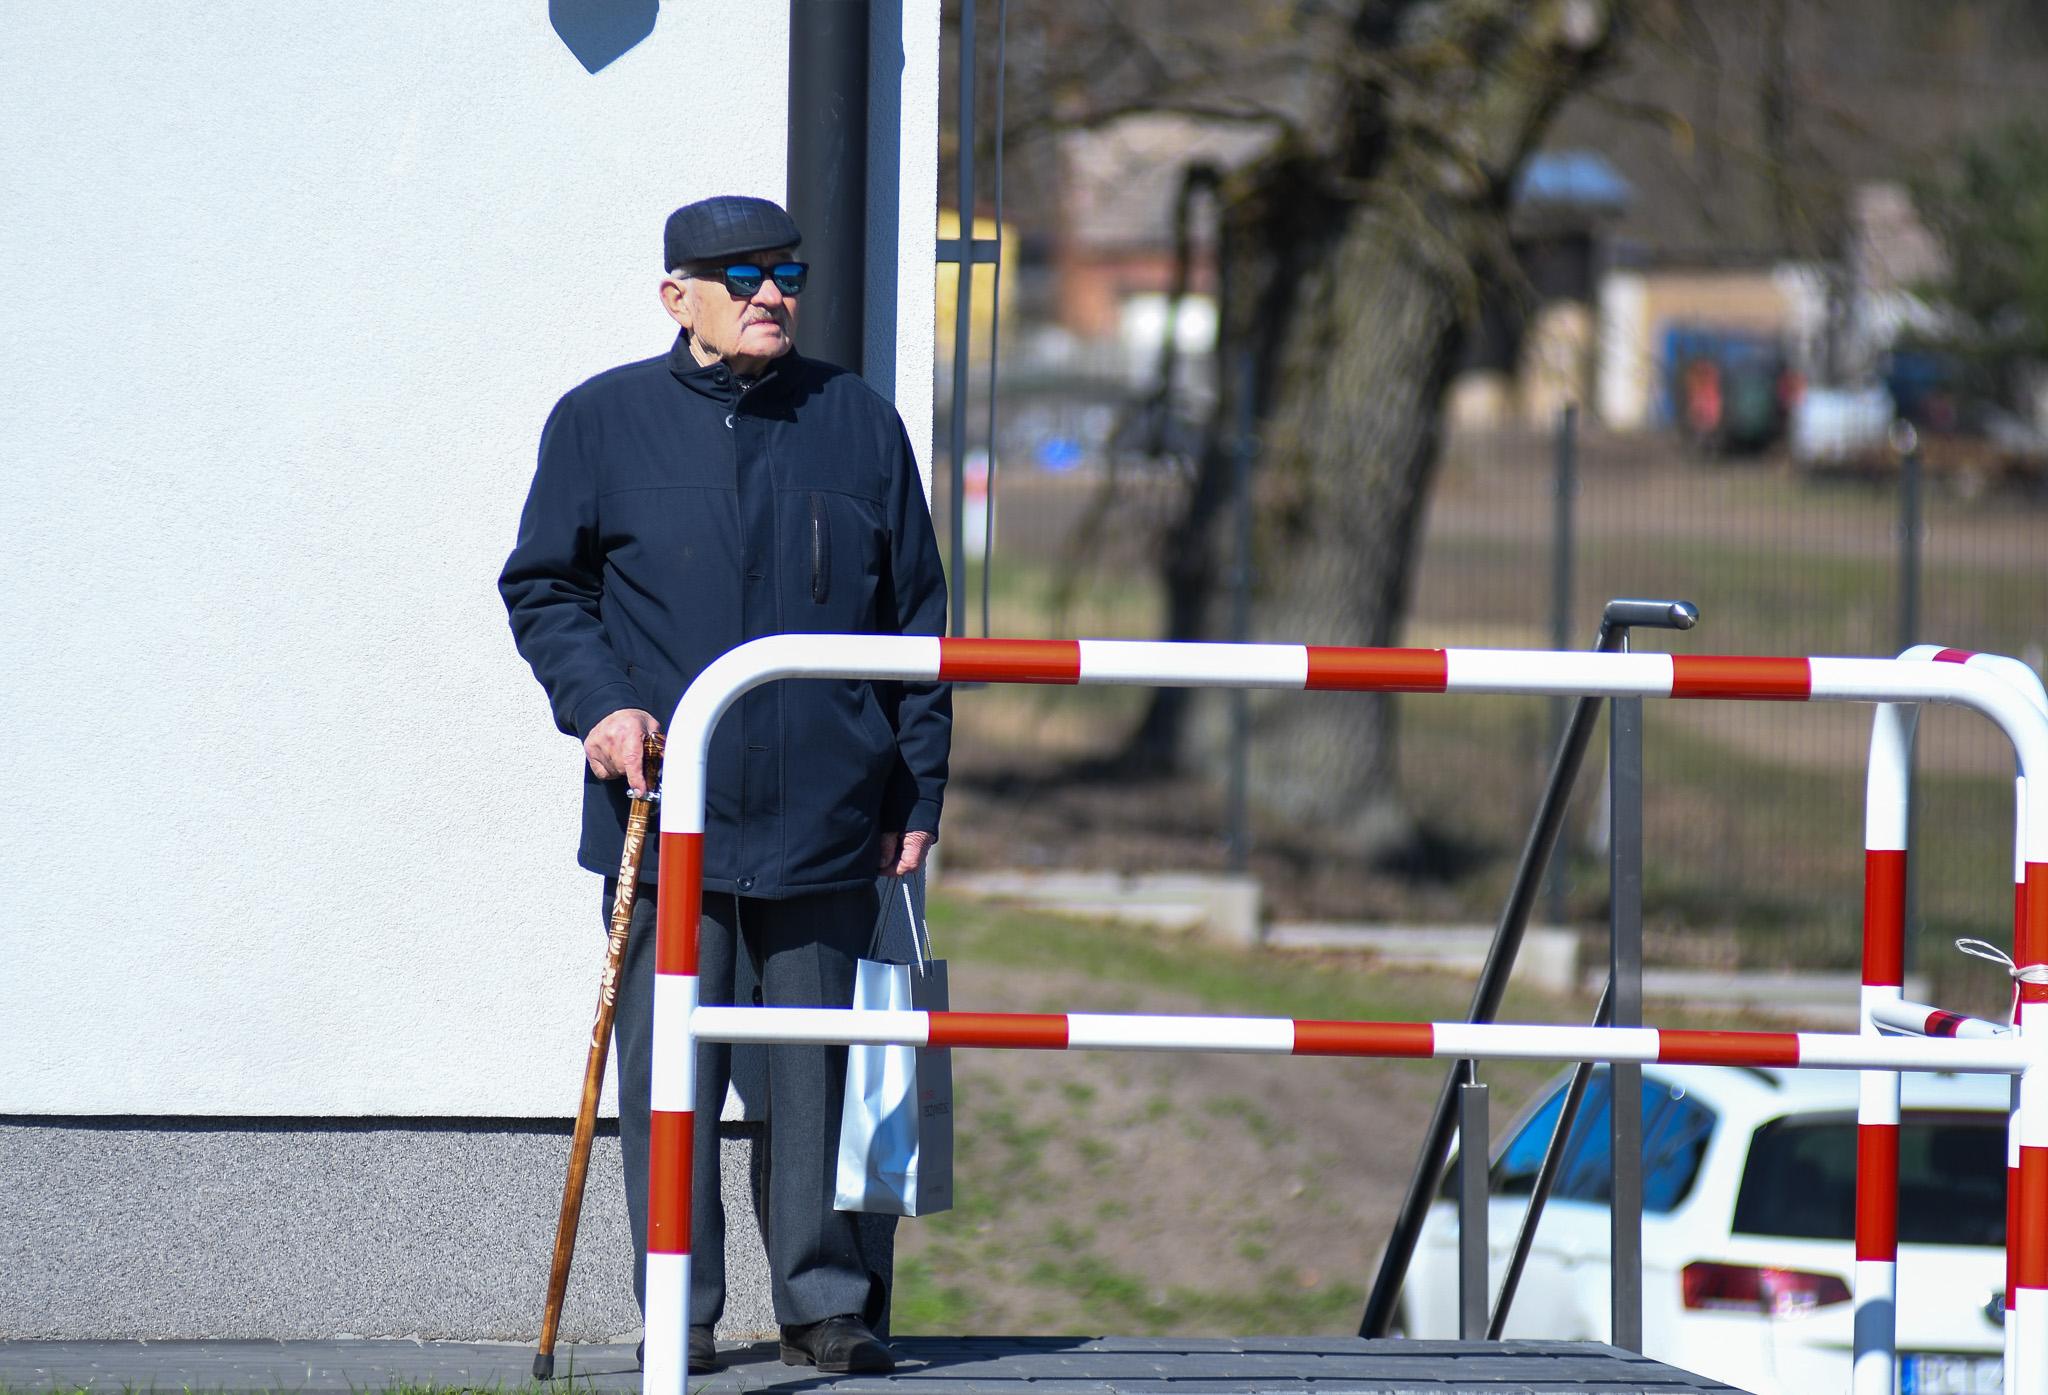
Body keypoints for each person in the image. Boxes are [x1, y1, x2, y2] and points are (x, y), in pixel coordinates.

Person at [499, 194, 950, 1376]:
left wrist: (916, 790)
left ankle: (825, 1307)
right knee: (671, 1082)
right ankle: (677, 1315)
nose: (771, 295)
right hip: (667, 817)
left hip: (829, 816)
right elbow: (545, 589)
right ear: (677, 295)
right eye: (742, 276)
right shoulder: (601, 421)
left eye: (785, 273)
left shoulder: (856, 421)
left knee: (815, 1075)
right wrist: (599, 706)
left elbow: (915, 619)